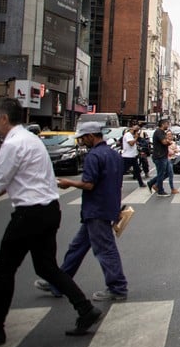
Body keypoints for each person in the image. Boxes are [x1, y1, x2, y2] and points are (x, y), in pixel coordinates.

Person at [0, 98, 102, 344]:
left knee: (3, 270)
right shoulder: (31, 140)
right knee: (46, 267)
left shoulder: (13, 144)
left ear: (3, 118)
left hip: (29, 213)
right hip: (49, 210)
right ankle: (85, 309)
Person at [35, 121, 129, 302]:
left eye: (82, 138)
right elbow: (116, 184)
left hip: (96, 210)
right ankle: (59, 281)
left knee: (105, 250)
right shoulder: (114, 155)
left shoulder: (94, 156)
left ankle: (117, 287)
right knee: (76, 248)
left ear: (90, 136)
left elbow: (89, 184)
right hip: (105, 207)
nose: (81, 142)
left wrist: (68, 183)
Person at [150, 118, 172, 197]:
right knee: (161, 174)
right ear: (163, 124)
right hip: (159, 156)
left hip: (162, 156)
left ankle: (152, 183)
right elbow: (164, 142)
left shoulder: (162, 132)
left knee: (166, 173)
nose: (168, 125)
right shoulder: (159, 132)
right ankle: (160, 190)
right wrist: (168, 141)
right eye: (167, 124)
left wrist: (168, 142)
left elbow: (167, 142)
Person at [121, 123, 146, 188]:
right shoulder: (128, 135)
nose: (138, 128)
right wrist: (136, 138)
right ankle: (117, 183)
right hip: (127, 157)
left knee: (137, 170)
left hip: (133, 156)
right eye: (136, 127)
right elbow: (131, 143)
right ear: (132, 127)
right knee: (123, 171)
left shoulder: (132, 135)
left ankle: (141, 183)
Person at [165, 130, 180, 194]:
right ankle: (172, 188)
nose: (170, 137)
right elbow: (169, 152)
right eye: (168, 135)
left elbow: (177, 150)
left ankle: (154, 183)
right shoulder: (165, 143)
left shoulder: (173, 142)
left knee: (165, 174)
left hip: (173, 159)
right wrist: (173, 151)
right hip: (167, 159)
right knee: (171, 174)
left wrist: (174, 150)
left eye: (171, 135)